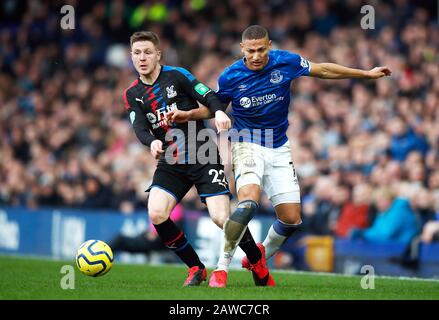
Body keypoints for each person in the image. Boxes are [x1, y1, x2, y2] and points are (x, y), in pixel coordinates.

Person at [215, 25, 392, 275]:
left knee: (291, 219)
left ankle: (259, 254)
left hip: (279, 146)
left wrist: (365, 74)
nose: (256, 56)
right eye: (251, 50)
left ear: (270, 46)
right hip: (247, 143)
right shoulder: (230, 76)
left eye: (261, 50)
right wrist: (191, 114)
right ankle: (222, 267)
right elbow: (215, 105)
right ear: (242, 48)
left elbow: (323, 69)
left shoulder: (285, 61)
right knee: (248, 202)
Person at [123, 31, 273, 288]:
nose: (142, 58)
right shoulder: (133, 93)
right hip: (171, 158)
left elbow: (209, 95)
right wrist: (153, 142)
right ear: (132, 57)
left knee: (220, 219)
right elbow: (139, 129)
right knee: (156, 213)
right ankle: (196, 267)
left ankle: (256, 259)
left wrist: (217, 112)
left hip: (202, 152)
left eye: (147, 52)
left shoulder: (177, 75)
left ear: (158, 54)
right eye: (137, 53)